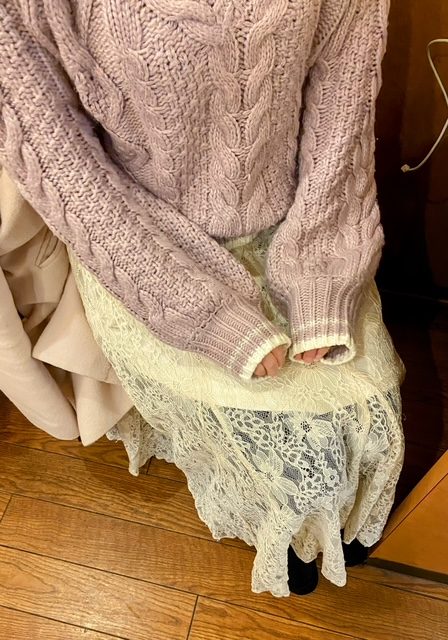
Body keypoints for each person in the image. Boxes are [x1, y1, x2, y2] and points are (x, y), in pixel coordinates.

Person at [0, 0, 404, 596]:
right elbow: (64, 167)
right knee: (287, 451)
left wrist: (322, 272)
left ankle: (320, 529)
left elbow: (342, 110)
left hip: (300, 220)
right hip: (143, 245)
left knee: (365, 423)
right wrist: (201, 310)